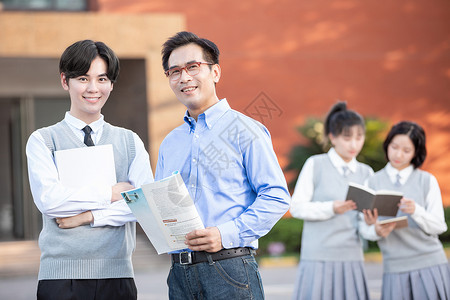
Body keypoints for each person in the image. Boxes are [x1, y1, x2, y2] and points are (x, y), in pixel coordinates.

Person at [156, 31, 290, 299]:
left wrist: (225, 233)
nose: (184, 77)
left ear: (215, 72)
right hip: (179, 275)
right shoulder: (170, 143)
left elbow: (276, 197)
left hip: (230, 268)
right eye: (174, 71)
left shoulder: (246, 130)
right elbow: (163, 204)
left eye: (193, 67)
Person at [26, 40, 153, 300]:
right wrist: (111, 193)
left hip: (118, 276)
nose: (93, 88)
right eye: (83, 78)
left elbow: (145, 203)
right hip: (60, 278)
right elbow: (50, 202)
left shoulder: (129, 142)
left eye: (102, 79)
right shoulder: (43, 140)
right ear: (65, 81)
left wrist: (87, 216)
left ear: (111, 83)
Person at [289, 101, 373, 300]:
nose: (354, 144)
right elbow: (297, 208)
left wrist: (374, 226)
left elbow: (364, 223)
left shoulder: (366, 172)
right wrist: (331, 208)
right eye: (347, 137)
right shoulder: (315, 164)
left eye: (359, 137)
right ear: (332, 137)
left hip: (352, 257)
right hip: (318, 257)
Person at [361, 121, 449, 300]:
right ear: (387, 145)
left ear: (416, 152)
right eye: (394, 147)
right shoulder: (372, 182)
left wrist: (416, 211)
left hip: (430, 264)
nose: (398, 154)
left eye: (406, 150)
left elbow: (439, 226)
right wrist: (375, 230)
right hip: (394, 268)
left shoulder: (427, 180)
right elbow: (363, 228)